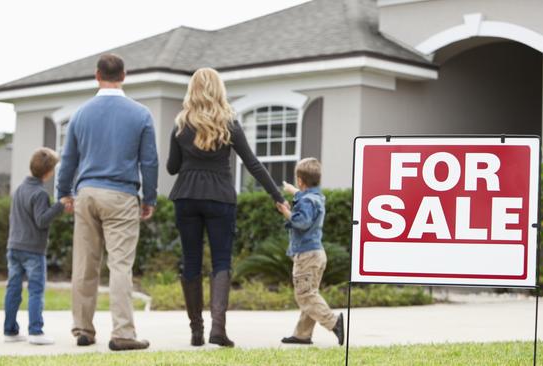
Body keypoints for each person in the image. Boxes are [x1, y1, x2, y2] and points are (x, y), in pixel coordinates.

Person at [167, 67, 286, 348]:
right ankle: (217, 329)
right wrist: (277, 196)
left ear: (192, 90)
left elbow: (172, 168)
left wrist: (189, 157)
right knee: (221, 261)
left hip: (186, 196)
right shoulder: (229, 123)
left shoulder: (180, 125)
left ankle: (196, 331)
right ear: (219, 89)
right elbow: (252, 163)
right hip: (220, 197)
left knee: (191, 261)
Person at [56, 53, 158, 351]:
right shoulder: (140, 114)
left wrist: (63, 192)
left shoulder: (81, 114)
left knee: (85, 265)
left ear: (97, 75)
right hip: (122, 195)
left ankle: (83, 330)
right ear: (124, 75)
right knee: (120, 265)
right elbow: (149, 161)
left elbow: (68, 160)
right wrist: (148, 197)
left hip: (86, 193)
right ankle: (123, 333)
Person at [276, 157, 345, 346]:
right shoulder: (317, 197)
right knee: (310, 292)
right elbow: (307, 198)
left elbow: (302, 222)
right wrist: (294, 191)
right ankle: (302, 334)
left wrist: (286, 212)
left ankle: (334, 323)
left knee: (305, 295)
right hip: (316, 254)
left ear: (300, 180)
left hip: (306, 254)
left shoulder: (306, 201)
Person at [4, 147, 68, 345]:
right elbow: (41, 221)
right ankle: (35, 331)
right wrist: (60, 206)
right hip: (33, 250)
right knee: (36, 290)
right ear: (48, 173)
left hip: (14, 247)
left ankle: (10, 330)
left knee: (13, 289)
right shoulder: (40, 194)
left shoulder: (20, 189)